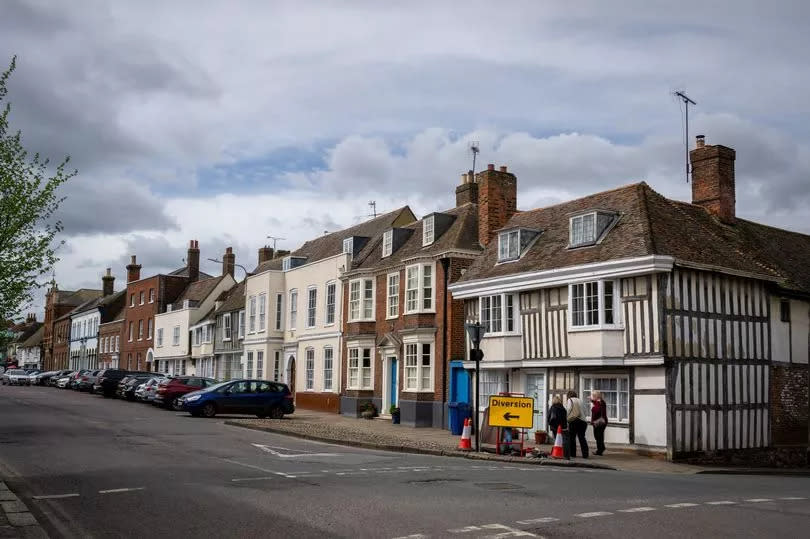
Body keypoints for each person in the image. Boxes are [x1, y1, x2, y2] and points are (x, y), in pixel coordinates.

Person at [565, 390, 589, 458]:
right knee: (582, 438)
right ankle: (585, 454)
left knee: (572, 438)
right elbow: (585, 411)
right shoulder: (580, 400)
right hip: (583, 422)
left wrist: (566, 418)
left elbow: (568, 410)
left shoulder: (570, 400)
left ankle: (573, 454)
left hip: (574, 421)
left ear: (568, 395)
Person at [547, 395, 569, 459]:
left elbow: (549, 416)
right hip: (562, 426)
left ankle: (556, 452)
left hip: (554, 426)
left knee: (556, 439)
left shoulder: (553, 407)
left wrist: (549, 423)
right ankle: (562, 452)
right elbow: (565, 418)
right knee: (562, 440)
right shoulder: (563, 408)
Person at [590, 390, 608, 455]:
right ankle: (601, 448)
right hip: (603, 421)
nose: (592, 397)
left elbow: (597, 410)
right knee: (600, 436)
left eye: (592, 396)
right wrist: (592, 401)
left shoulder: (598, 402)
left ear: (595, 396)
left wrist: (592, 409)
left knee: (598, 436)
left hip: (599, 421)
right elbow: (597, 404)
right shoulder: (601, 401)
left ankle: (599, 450)